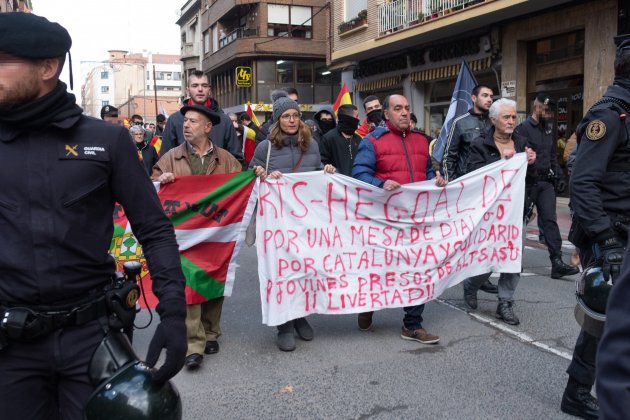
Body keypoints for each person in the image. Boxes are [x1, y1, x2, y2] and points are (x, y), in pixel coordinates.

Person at [0, 13, 186, 419]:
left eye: (3, 60)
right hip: (10, 347)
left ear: (47, 67)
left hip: (92, 339)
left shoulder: (106, 140)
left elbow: (154, 229)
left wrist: (174, 314)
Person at [561, 35, 630, 420]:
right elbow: (583, 182)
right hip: (611, 233)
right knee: (604, 316)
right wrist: (606, 239)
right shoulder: (609, 115)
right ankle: (576, 392)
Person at [152, 104, 242, 370]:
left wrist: (257, 177)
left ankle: (211, 332)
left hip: (215, 231)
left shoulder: (226, 159)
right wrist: (162, 178)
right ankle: (194, 345)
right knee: (189, 286)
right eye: (185, 121)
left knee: (214, 282)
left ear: (207, 127)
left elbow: (240, 187)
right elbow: (153, 183)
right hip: (185, 235)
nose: (186, 125)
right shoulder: (170, 157)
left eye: (193, 121)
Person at [352, 94, 446, 343]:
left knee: (419, 269)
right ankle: (368, 305)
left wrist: (434, 178)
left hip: (415, 220)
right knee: (382, 269)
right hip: (384, 221)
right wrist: (381, 183)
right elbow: (359, 174)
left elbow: (426, 171)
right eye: (398, 108)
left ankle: (412, 325)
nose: (404, 112)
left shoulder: (420, 141)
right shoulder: (372, 142)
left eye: (407, 108)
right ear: (386, 114)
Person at [249, 96, 335, 352]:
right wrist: (262, 175)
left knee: (304, 270)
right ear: (277, 119)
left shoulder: (312, 145)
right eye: (286, 116)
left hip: (305, 223)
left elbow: (317, 173)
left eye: (295, 116)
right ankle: (284, 325)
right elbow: (250, 175)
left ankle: (299, 315)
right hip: (277, 225)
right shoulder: (265, 148)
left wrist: (329, 172)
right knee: (281, 273)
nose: (291, 120)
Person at [464, 99, 537, 325]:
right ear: (493, 119)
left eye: (514, 117)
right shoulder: (480, 144)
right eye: (506, 117)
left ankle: (505, 302)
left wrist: (532, 162)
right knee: (488, 257)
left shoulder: (523, 142)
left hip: (516, 213)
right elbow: (473, 175)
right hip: (489, 214)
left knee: (513, 258)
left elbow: (534, 178)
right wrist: (500, 165)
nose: (511, 121)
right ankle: (472, 284)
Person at [441, 84, 498, 295]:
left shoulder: (496, 122)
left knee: (490, 236)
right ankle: (468, 278)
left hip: (493, 190)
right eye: (485, 95)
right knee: (470, 237)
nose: (489, 99)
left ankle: (482, 276)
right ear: (474, 98)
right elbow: (449, 156)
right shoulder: (461, 123)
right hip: (468, 192)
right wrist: (453, 187)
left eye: (491, 96)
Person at [514, 94, 579, 279]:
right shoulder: (523, 129)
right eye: (547, 110)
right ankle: (513, 261)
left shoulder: (547, 130)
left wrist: (558, 175)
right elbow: (520, 156)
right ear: (538, 108)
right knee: (520, 223)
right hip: (528, 183)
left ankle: (556, 262)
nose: (550, 115)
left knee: (550, 221)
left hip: (545, 184)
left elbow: (551, 155)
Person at [162, 70, 240, 160]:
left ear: (209, 90)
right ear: (187, 90)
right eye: (195, 85)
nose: (200, 89)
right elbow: (165, 160)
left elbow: (236, 159)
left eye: (204, 85)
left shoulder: (224, 120)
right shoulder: (174, 120)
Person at [320, 104, 361, 176]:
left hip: (355, 185)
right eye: (356, 116)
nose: (359, 119)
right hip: (336, 185)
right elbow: (321, 163)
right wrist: (329, 168)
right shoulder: (328, 138)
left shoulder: (359, 139)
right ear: (349, 119)